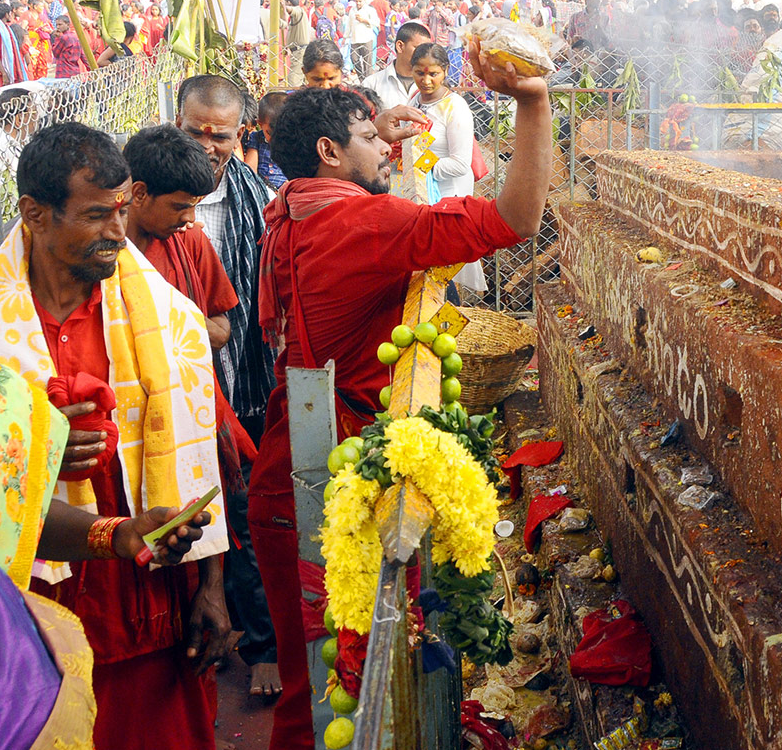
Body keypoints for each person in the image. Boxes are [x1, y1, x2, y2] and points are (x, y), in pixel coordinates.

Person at [249, 45, 551, 750]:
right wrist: (533, 103)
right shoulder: (359, 225)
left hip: (286, 465)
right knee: (343, 698)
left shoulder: (289, 204)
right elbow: (516, 217)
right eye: (368, 139)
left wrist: (371, 131)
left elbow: (345, 168)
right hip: (328, 482)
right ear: (328, 150)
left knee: (311, 688)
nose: (385, 147)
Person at [0, 122, 230, 750]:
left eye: (120, 213)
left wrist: (212, 586)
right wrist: (32, 446)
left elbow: (202, 459)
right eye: (95, 216)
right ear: (33, 214)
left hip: (151, 597)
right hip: (29, 611)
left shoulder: (167, 316)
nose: (118, 233)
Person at [123, 123, 282, 701]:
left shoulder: (189, 244)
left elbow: (221, 323)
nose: (190, 220)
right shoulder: (103, 254)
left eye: (195, 208)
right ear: (136, 195)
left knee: (228, 523)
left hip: (196, 415)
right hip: (128, 431)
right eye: (180, 208)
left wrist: (168, 327)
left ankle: (255, 643)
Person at [177, 76, 277, 442]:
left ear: (239, 137)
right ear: (177, 124)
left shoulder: (259, 202)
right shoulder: (140, 196)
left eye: (219, 137)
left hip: (237, 370)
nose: (206, 147)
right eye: (195, 134)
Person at [407, 43, 485, 294]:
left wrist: (421, 164)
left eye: (433, 74)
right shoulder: (413, 98)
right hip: (418, 196)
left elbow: (460, 163)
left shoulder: (455, 107)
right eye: (420, 73)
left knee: (445, 270)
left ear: (445, 71)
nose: (426, 80)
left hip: (447, 197)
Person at [362, 20, 432, 109]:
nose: (424, 54)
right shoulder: (372, 84)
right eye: (419, 48)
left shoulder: (434, 86)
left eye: (426, 50)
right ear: (400, 46)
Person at [244, 91, 290, 190]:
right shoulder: (256, 139)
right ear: (259, 124)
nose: (276, 139)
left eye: (283, 134)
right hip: (262, 188)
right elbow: (250, 169)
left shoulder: (293, 142)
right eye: (270, 134)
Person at [283, 0, 314, 87]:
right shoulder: (296, 17)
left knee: (294, 79)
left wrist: (281, 5)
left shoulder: (298, 11)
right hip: (297, 50)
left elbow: (289, 10)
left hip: (299, 50)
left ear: (289, 3)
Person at [349, 0, 380, 77]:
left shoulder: (370, 10)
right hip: (354, 39)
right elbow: (349, 24)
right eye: (356, 1)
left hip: (366, 39)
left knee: (367, 62)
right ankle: (361, 78)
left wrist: (364, 20)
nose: (358, 3)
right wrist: (346, 36)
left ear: (364, 1)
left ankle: (368, 80)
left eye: (360, 1)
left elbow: (376, 22)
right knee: (354, 59)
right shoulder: (352, 10)